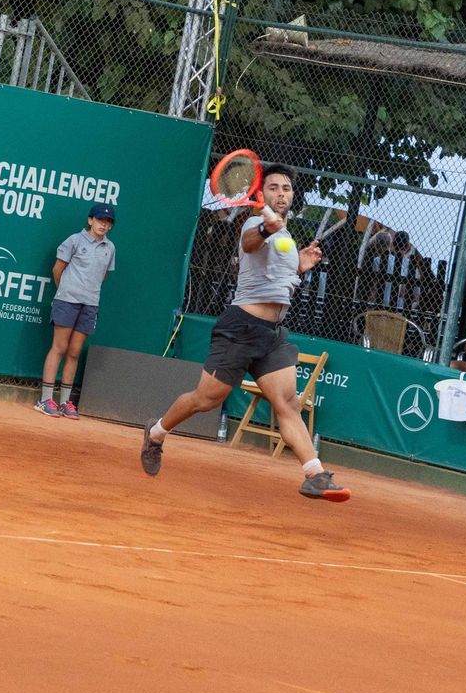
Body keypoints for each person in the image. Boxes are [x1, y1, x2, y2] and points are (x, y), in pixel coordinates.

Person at [139, 163, 350, 502]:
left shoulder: (286, 234)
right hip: (241, 328)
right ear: (261, 193)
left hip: (272, 334)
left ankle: (314, 474)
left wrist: (300, 264)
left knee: (288, 403)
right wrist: (266, 230)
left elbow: (277, 280)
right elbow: (251, 245)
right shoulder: (256, 223)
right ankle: (157, 432)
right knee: (206, 400)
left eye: (286, 189)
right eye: (273, 188)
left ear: (293, 195)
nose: (280, 194)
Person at [36, 204, 117, 418]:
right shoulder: (74, 240)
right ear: (90, 220)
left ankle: (65, 403)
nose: (104, 225)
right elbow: (57, 269)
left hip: (90, 304)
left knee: (74, 352)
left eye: (108, 222)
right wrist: (66, 291)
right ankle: (45, 399)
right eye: (100, 220)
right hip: (67, 301)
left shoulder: (110, 248)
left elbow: (102, 277)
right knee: (59, 348)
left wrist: (86, 294)